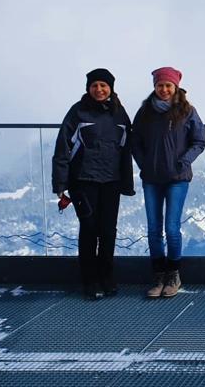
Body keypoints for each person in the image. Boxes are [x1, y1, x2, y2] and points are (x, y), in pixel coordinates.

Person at [51, 68, 135, 300]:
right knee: (89, 230)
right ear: (88, 88)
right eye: (94, 85)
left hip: (111, 182)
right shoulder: (77, 112)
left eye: (104, 85)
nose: (99, 89)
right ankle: (89, 281)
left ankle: (107, 278)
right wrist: (60, 183)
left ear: (111, 88)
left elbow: (128, 147)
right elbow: (63, 148)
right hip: (83, 181)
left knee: (108, 231)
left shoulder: (119, 113)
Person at [132, 66, 205, 298]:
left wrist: (183, 161)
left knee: (172, 229)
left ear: (175, 87)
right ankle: (158, 276)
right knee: (154, 229)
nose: (164, 89)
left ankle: (173, 274)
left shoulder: (187, 111)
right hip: (152, 178)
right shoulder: (145, 112)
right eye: (160, 85)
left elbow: (199, 140)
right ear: (154, 87)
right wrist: (145, 164)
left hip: (177, 178)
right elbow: (135, 142)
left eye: (168, 85)